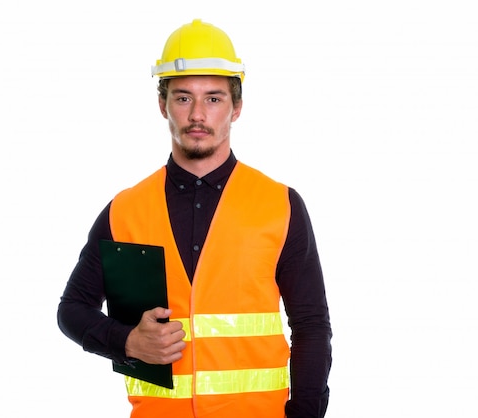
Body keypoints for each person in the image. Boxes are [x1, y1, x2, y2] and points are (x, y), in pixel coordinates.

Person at [56, 18, 332, 418]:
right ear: (162, 104)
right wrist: (126, 341)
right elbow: (72, 309)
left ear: (236, 107)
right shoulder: (124, 210)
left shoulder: (281, 204)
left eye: (214, 98)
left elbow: (311, 325)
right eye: (183, 98)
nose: (198, 114)